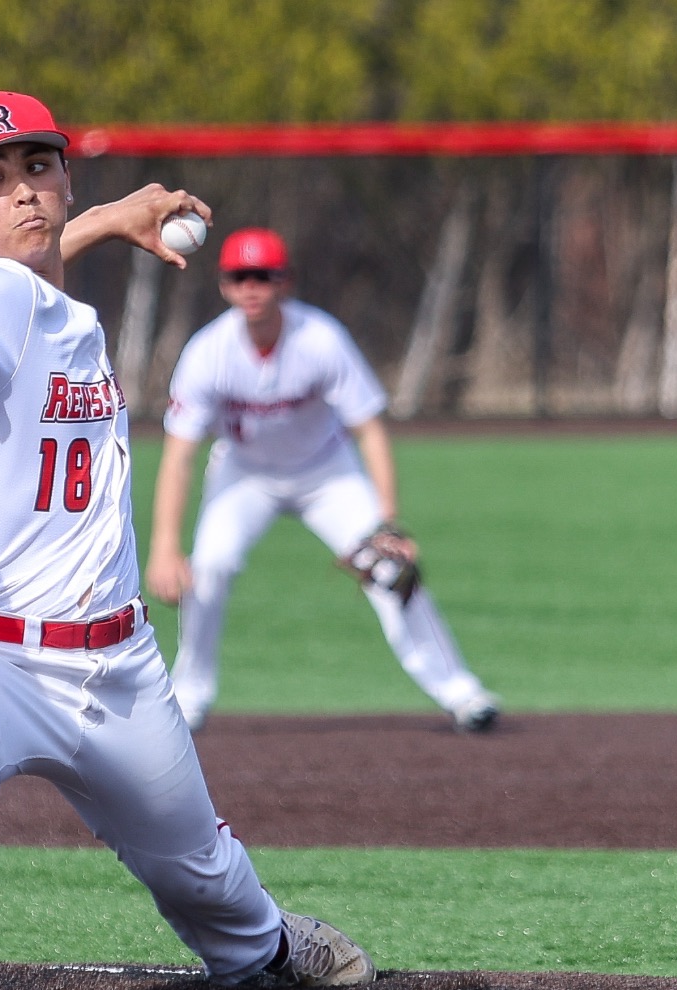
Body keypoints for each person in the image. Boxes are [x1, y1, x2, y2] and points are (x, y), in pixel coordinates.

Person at [0, 92, 375, 990]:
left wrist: (110, 220)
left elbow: (32, 266)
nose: (21, 191)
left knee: (211, 889)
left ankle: (263, 940)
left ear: (63, 176)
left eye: (36, 167)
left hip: (114, 667)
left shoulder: (47, 301)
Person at [146, 227, 501, 734]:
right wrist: (164, 545)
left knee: (388, 570)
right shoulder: (208, 353)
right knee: (212, 566)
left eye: (264, 276)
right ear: (224, 285)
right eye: (239, 276)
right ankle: (190, 695)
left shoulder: (320, 338)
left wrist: (387, 521)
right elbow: (179, 454)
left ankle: (460, 692)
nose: (252, 286)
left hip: (326, 473)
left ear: (285, 282)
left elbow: (370, 429)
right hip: (245, 475)